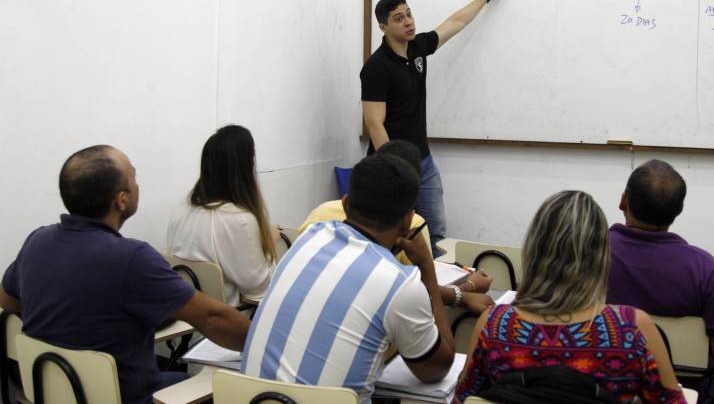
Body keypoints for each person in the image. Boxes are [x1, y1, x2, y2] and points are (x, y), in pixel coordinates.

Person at [0, 145, 250, 404]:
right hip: (131, 398)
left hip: (53, 395)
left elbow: (7, 303)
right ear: (121, 199)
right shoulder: (131, 258)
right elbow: (213, 318)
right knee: (224, 388)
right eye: (134, 177)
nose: (137, 184)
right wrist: (264, 341)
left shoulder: (36, 241)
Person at [242, 153, 455, 403]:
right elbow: (435, 370)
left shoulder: (308, 239)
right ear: (408, 221)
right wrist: (427, 269)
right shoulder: (400, 284)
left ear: (345, 204)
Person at [455, 190, 685, 404]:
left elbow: (465, 399)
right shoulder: (631, 328)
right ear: (601, 255)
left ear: (534, 249)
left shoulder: (495, 325)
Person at [361, 0, 509, 256]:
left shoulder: (417, 47)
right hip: (391, 167)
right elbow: (374, 123)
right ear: (383, 27)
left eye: (409, 14)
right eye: (398, 18)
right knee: (391, 240)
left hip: (424, 163)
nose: (408, 22)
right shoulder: (377, 67)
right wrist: (397, 168)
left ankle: (437, 295)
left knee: (436, 234)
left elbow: (455, 23)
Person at [607, 159, 714, 401]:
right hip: (682, 389)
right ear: (678, 211)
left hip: (605, 379)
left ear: (623, 200)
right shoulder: (704, 269)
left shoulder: (588, 251)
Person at [299, 139, 495, 315]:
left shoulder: (321, 212)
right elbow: (419, 299)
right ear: (406, 219)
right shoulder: (414, 225)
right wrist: (468, 287)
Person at [167, 125, 278, 306]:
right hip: (227, 325)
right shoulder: (239, 219)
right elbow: (260, 292)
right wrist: (271, 246)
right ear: (245, 169)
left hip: (188, 324)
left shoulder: (182, 209)